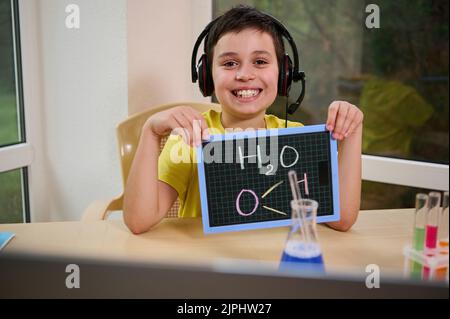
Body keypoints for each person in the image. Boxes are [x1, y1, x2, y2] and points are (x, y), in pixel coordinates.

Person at [123, 5, 363, 234]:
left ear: (284, 74)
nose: (245, 75)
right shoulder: (191, 139)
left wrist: (352, 131)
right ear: (207, 76)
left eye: (260, 62)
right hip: (207, 264)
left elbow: (341, 220)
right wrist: (151, 132)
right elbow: (138, 221)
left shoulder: (294, 140)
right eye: (229, 63)